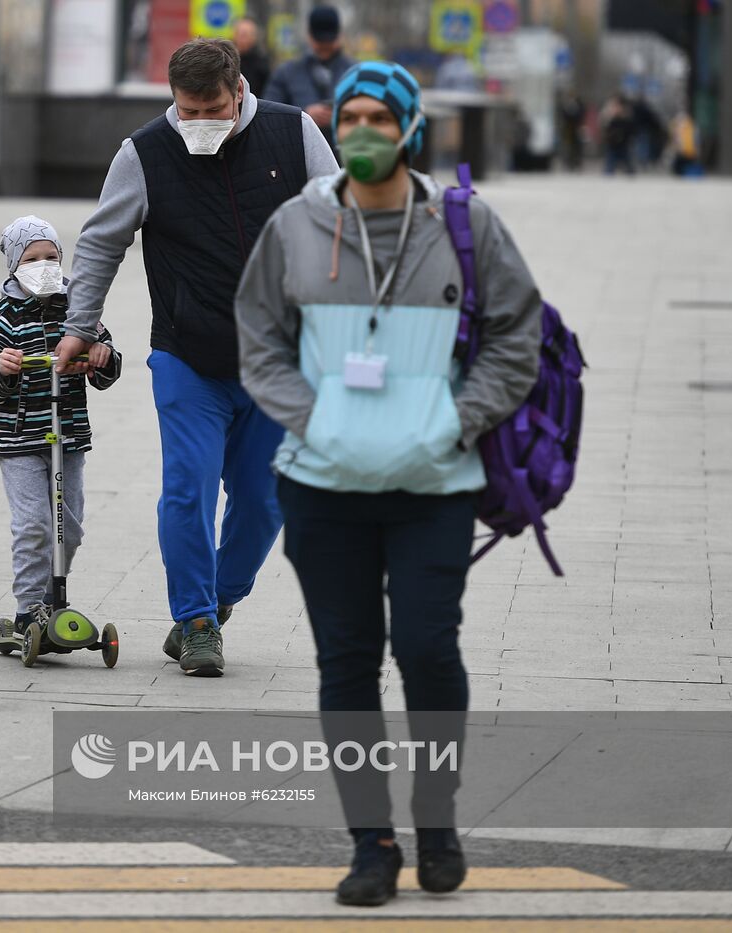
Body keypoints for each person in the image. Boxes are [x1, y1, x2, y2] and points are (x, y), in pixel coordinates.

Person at [236, 61, 542, 906]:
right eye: (350, 117)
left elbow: (519, 334)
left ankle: (435, 818)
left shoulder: (464, 224)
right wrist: (313, 418)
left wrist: (455, 420)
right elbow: (258, 337)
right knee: (347, 661)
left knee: (427, 649)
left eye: (379, 117)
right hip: (322, 484)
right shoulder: (297, 223)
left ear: (411, 128)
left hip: (432, 482)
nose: (362, 131)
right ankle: (371, 843)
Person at [52, 38, 337, 676]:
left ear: (239, 91)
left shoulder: (293, 135)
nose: (200, 124)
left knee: (264, 501)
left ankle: (219, 599)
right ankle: (198, 621)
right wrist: (81, 325)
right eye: (188, 111)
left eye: (213, 109)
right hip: (187, 355)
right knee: (188, 491)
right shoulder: (146, 151)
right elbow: (101, 242)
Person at [0, 216, 122, 643]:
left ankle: (54, 600)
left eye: (51, 257)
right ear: (15, 265)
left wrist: (101, 357)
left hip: (67, 435)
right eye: (32, 258)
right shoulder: (4, 316)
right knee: (35, 524)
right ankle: (27, 611)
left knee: (67, 528)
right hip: (19, 440)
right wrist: (2, 370)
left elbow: (108, 367)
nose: (43, 265)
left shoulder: (77, 307)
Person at [262, 5, 355, 137]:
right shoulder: (286, 72)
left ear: (340, 36)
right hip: (298, 150)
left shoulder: (355, 73)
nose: (324, 46)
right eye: (320, 40)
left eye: (329, 40)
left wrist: (342, 117)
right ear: (309, 36)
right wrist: (304, 115)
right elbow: (268, 112)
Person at [233, 17, 272, 99]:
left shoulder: (261, 63)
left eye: (245, 35)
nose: (242, 39)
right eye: (239, 34)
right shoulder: (227, 59)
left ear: (254, 37)